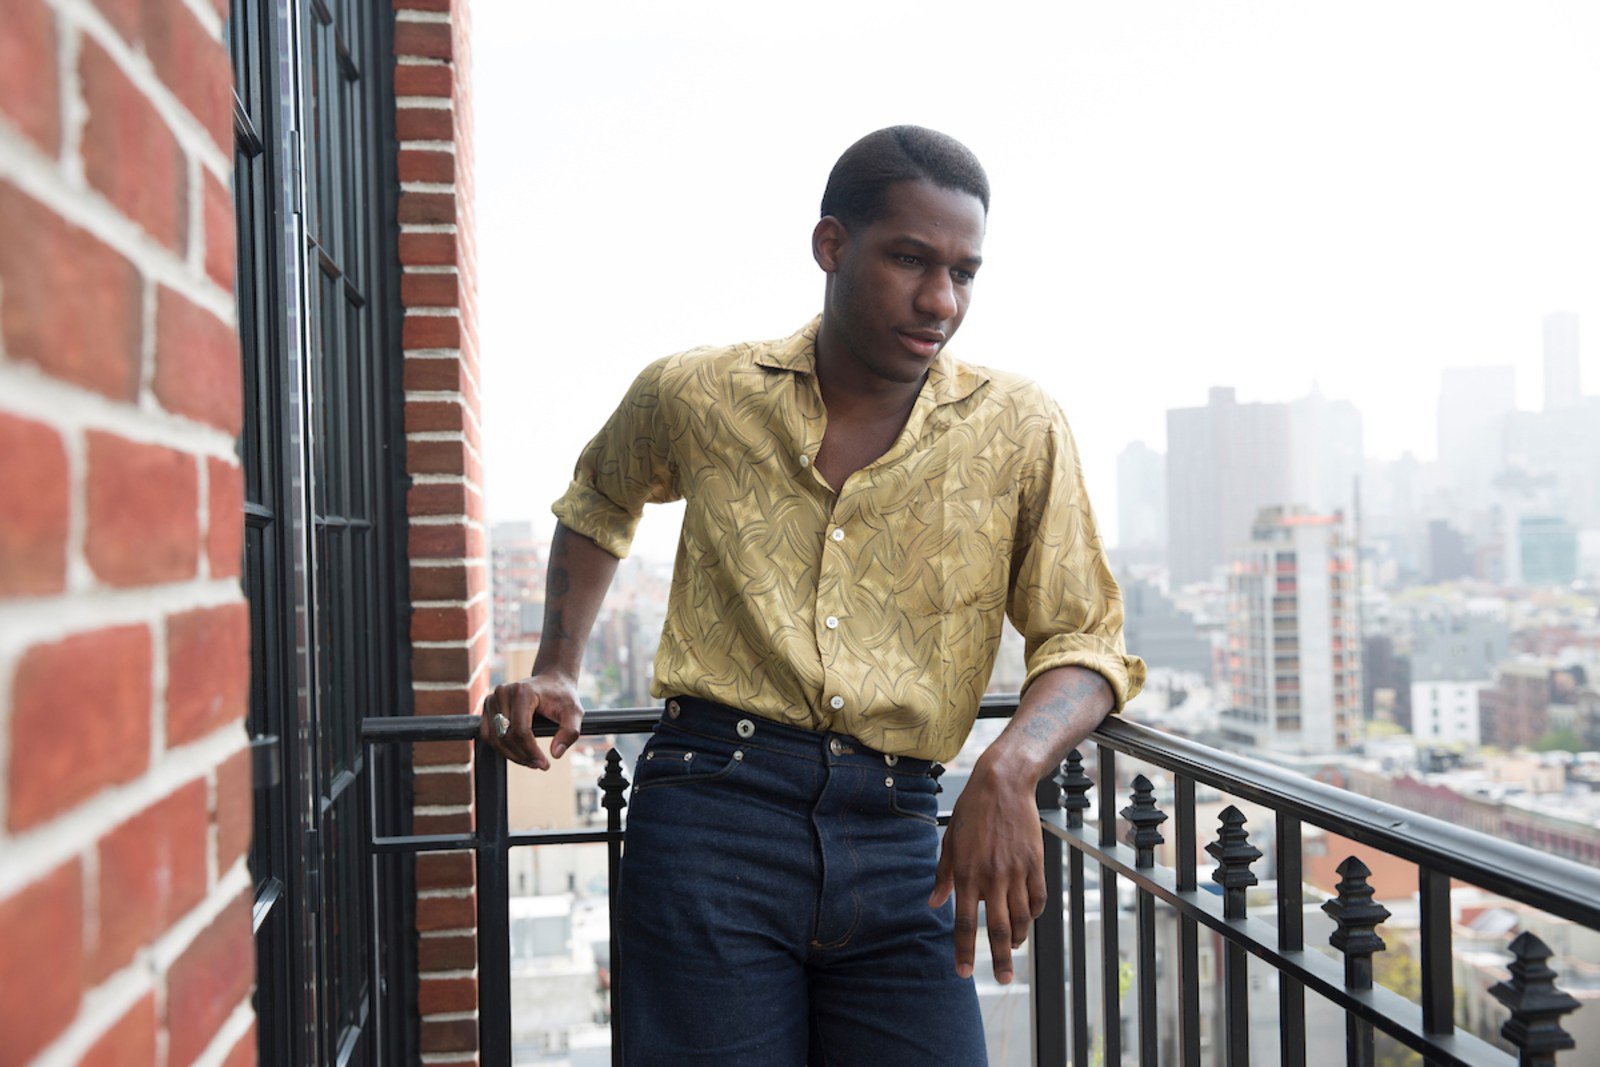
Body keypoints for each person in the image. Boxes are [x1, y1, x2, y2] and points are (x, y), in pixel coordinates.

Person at [481, 125, 1145, 1065]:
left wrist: (1010, 766)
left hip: (905, 836)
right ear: (832, 245)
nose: (941, 300)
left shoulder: (1019, 427)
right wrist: (557, 665)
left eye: (963, 272)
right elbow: (599, 500)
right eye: (910, 259)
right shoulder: (699, 391)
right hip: (712, 818)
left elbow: (1086, 638)